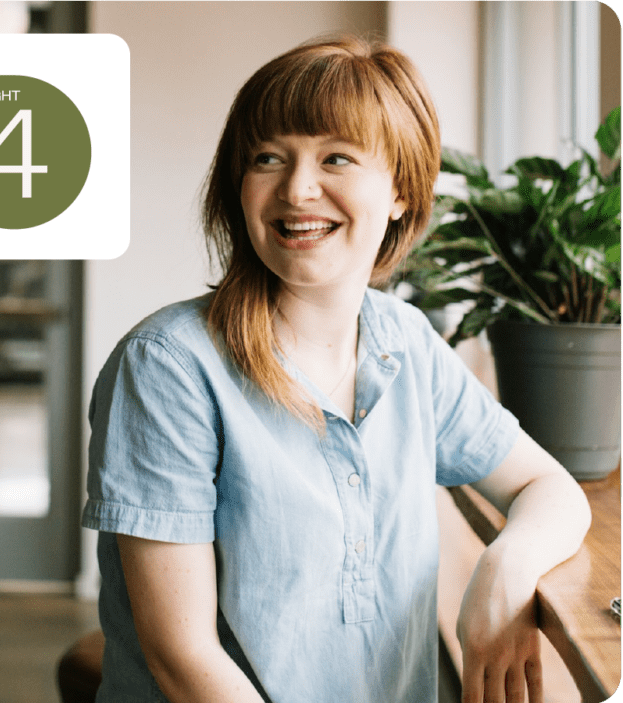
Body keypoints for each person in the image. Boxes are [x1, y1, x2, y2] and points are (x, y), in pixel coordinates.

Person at [82, 35, 591, 703]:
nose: (297, 189)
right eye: (268, 158)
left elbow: (549, 487)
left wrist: (506, 567)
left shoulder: (404, 340)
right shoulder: (167, 367)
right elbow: (183, 658)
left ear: (402, 191)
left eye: (336, 158)